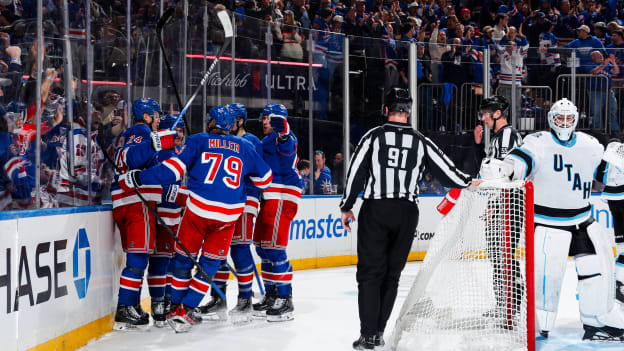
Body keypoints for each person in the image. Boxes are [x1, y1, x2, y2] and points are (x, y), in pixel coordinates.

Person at [340, 87, 477, 350]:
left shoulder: (374, 136)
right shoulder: (420, 140)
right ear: (409, 112)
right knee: (392, 275)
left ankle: (368, 336)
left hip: (377, 209)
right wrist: (469, 181)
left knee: (370, 274)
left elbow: (356, 171)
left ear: (386, 110)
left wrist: (347, 206)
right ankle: (379, 332)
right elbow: (447, 170)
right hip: (407, 213)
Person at [116, 105, 273, 333]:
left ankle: (175, 306)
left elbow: (172, 171)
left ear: (211, 123)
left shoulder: (199, 140)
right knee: (208, 266)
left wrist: (139, 177)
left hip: (199, 210)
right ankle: (187, 308)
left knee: (183, 261)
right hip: (229, 214)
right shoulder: (246, 147)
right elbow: (266, 180)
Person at [502, 98, 624, 341]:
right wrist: (504, 168)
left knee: (594, 274)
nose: (565, 123)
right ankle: (540, 324)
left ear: (576, 119)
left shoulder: (590, 145)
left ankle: (596, 321)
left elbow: (608, 175)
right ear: (551, 119)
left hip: (582, 221)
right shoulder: (538, 142)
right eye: (560, 118)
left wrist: (618, 163)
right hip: (546, 223)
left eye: (569, 118)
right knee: (547, 281)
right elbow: (519, 162)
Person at [111, 97, 176, 330]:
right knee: (138, 259)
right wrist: (157, 143)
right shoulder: (140, 132)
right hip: (136, 201)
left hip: (127, 201)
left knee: (139, 256)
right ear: (146, 116)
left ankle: (133, 305)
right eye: (156, 115)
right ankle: (125, 306)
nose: (158, 119)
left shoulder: (131, 133)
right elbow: (132, 159)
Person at [199, 103, 264, 324]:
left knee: (239, 248)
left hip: (245, 201)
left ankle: (245, 298)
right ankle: (218, 297)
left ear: (240, 121)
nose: (226, 125)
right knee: (217, 251)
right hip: (224, 202)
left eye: (232, 120)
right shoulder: (226, 141)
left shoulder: (251, 141)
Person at [252, 103, 303, 322]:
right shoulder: (264, 140)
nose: (265, 121)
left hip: (283, 195)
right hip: (269, 196)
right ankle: (272, 293)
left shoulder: (284, 137)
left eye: (269, 118)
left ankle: (285, 296)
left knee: (275, 248)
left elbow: (288, 147)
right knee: (262, 247)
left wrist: (283, 131)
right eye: (263, 117)